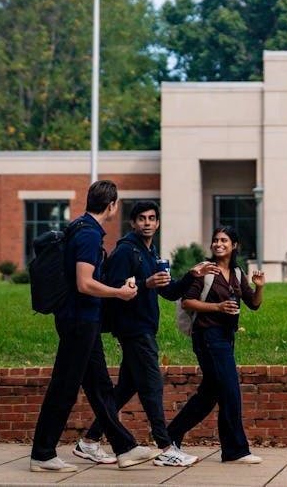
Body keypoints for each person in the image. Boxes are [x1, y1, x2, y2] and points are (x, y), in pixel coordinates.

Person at [30, 180, 163, 473]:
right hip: (78, 320)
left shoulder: (80, 226)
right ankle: (42, 453)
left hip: (84, 320)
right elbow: (84, 282)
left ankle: (125, 448)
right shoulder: (89, 234)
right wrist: (119, 292)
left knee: (101, 387)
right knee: (65, 386)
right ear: (112, 205)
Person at [74, 200, 214, 467]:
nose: (147, 223)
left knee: (127, 387)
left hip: (145, 326)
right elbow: (112, 288)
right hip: (132, 328)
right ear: (133, 222)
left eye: (152, 218)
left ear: (158, 223)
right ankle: (165, 446)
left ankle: (90, 441)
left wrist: (192, 275)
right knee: (152, 384)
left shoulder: (150, 253)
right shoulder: (126, 251)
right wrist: (144, 283)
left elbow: (169, 291)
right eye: (142, 218)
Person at [167, 226, 265, 464]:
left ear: (234, 245)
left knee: (209, 394)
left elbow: (253, 304)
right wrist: (218, 307)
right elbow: (188, 302)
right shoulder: (205, 270)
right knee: (230, 390)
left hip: (226, 336)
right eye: (215, 240)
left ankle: (170, 435)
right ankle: (235, 450)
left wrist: (259, 285)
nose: (218, 244)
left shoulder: (237, 273)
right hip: (208, 336)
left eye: (224, 240)